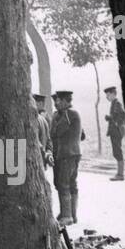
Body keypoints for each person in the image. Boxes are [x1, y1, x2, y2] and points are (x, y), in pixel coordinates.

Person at [49, 90, 85, 225]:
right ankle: (72, 214)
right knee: (71, 184)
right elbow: (82, 135)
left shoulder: (69, 114)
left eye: (58, 101)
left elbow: (56, 132)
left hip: (66, 154)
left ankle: (67, 216)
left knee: (63, 184)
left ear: (65, 101)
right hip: (73, 153)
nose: (56, 103)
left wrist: (55, 119)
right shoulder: (73, 114)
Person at [104, 86, 125, 181]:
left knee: (117, 151)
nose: (107, 97)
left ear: (114, 94)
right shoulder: (114, 103)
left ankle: (120, 174)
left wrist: (112, 119)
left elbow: (122, 115)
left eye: (108, 95)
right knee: (116, 151)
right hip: (115, 130)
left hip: (117, 131)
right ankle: (119, 174)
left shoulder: (117, 103)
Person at [32, 94, 53, 170]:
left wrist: (45, 154)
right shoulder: (44, 119)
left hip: (37, 158)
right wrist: (49, 153)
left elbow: (35, 139)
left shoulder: (36, 119)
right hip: (43, 159)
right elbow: (49, 141)